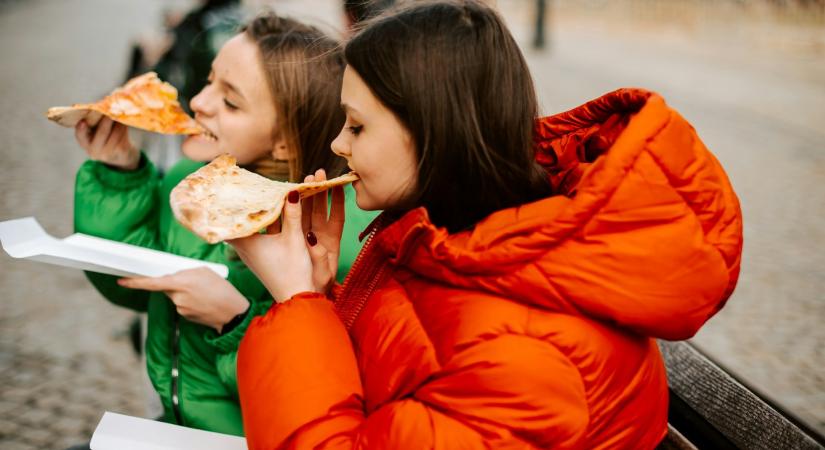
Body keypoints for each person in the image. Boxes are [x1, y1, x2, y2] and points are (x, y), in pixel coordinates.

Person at [230, 1, 743, 449]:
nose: (339, 145)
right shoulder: (444, 241)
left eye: (358, 126)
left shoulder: (526, 361)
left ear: (435, 132)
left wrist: (296, 300)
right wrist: (322, 296)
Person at [72, 12, 377, 436]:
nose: (197, 101)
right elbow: (127, 278)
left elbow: (315, 392)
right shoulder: (188, 183)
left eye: (230, 101)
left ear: (286, 137)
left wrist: (233, 322)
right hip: (176, 428)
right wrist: (118, 174)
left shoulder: (320, 233)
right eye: (210, 80)